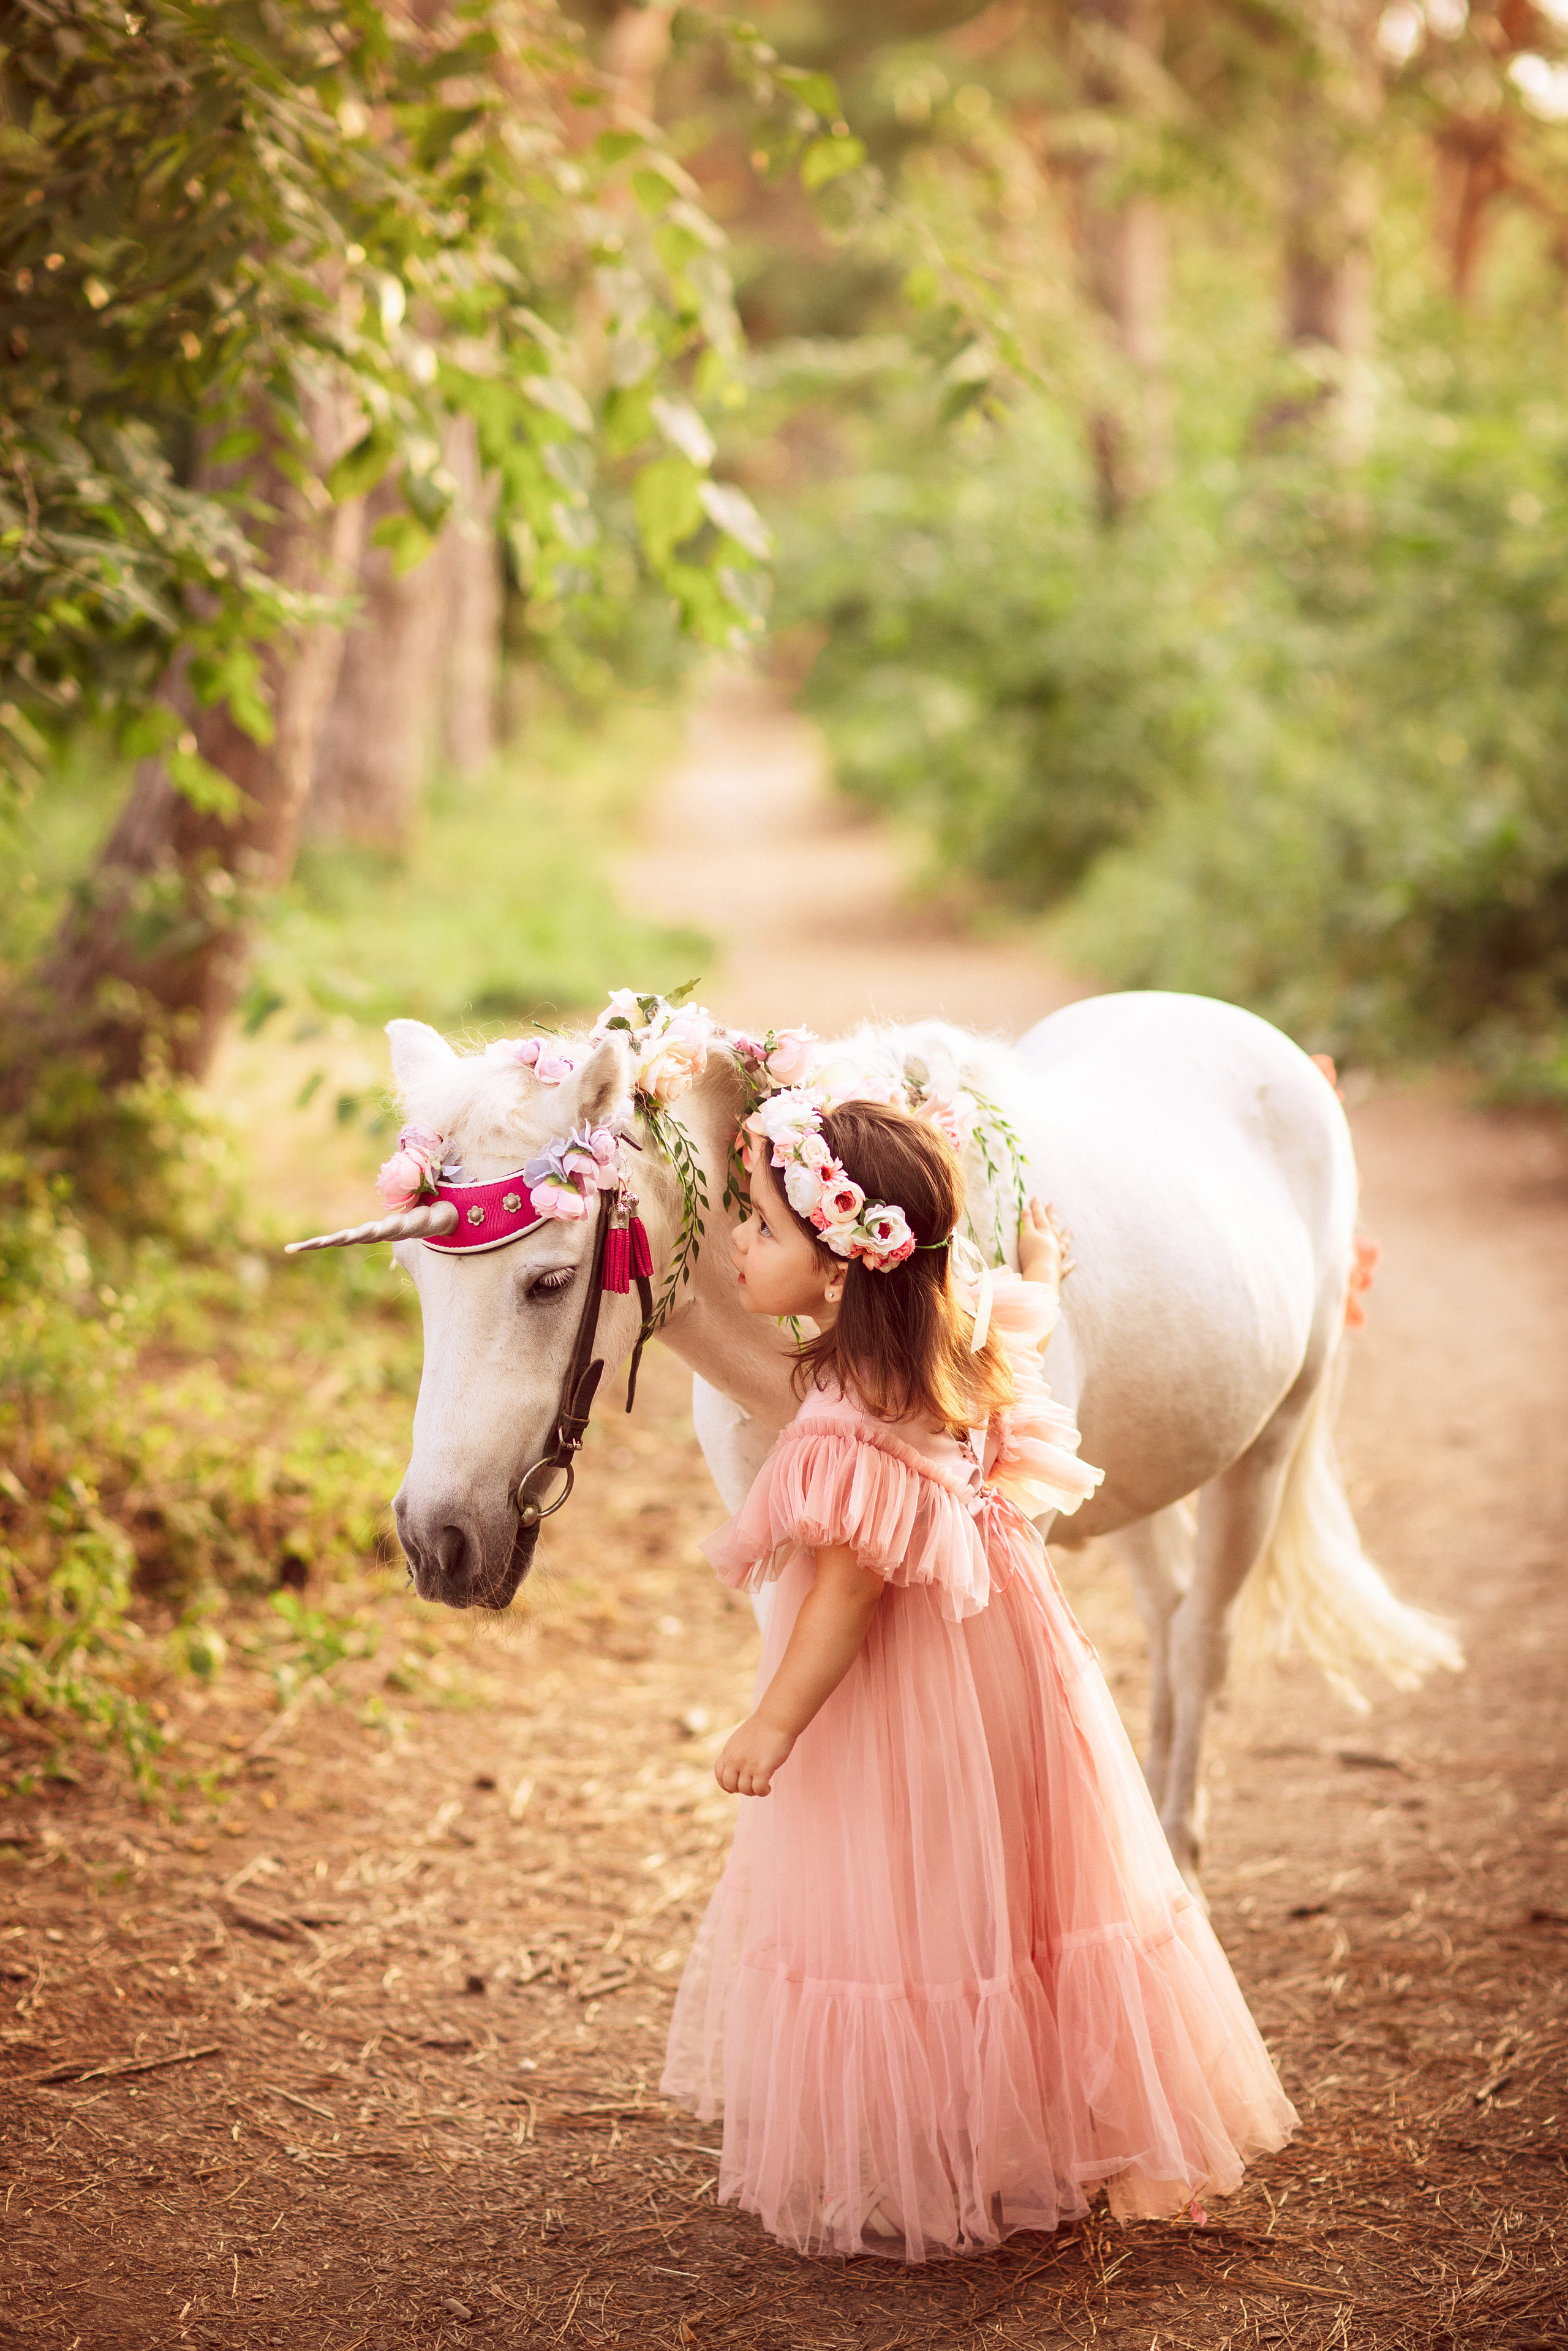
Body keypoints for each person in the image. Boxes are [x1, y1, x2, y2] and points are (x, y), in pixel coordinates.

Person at [661, 1095, 1297, 2262]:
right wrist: (1042, 1267)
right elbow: (1022, 1330)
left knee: (918, 1895)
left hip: (911, 1691)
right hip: (1007, 1656)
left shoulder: (847, 1419)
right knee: (1016, 1878)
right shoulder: (947, 1341)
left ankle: (941, 2150)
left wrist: (772, 1722)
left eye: (757, 1224)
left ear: (846, 1273)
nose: (738, 1243)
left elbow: (847, 1603)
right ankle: (1038, 2117)